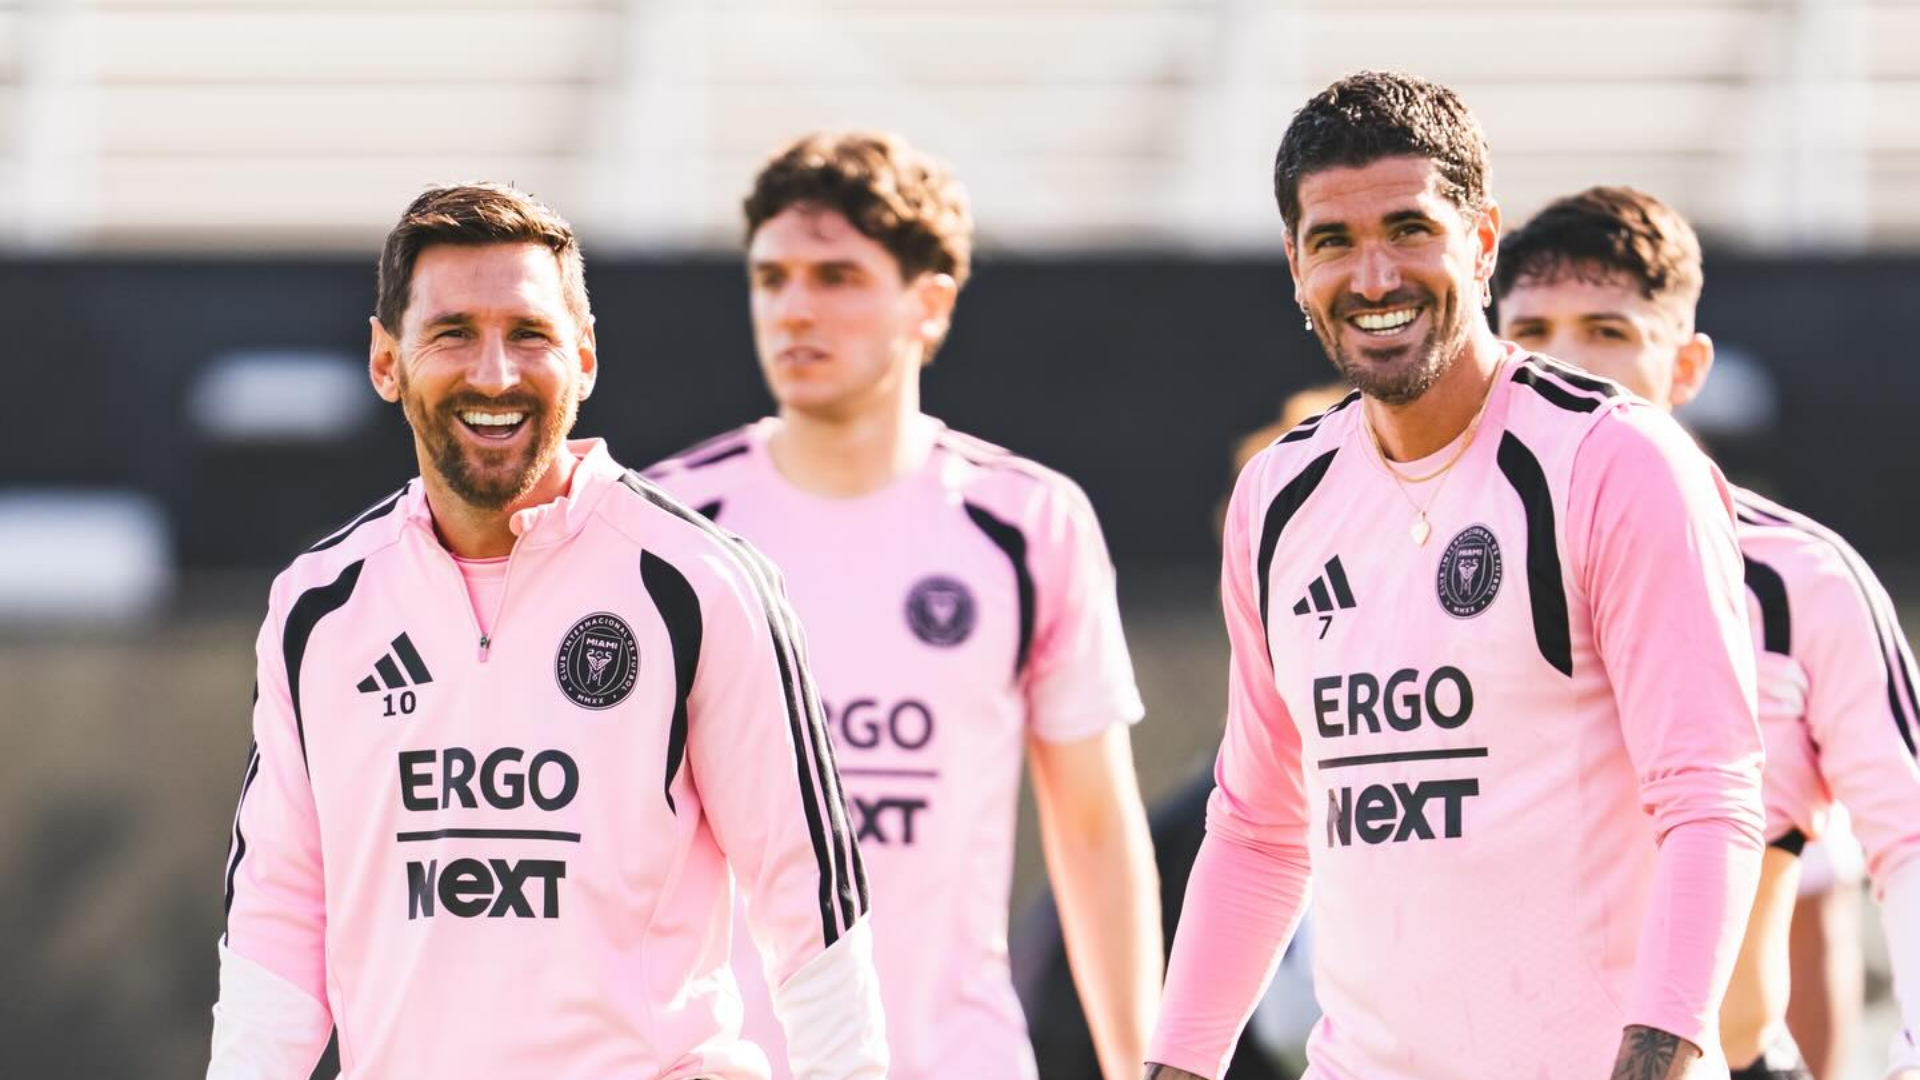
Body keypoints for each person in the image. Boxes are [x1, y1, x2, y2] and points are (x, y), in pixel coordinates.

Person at [1144, 71, 1767, 1080]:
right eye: (1334, 241)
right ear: (1296, 266)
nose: (1374, 277)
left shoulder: (1617, 461)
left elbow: (1710, 797)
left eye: (1410, 229)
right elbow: (1260, 830)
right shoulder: (1277, 497)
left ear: (1481, 242)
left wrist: (1655, 1059)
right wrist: (1174, 1067)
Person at [207, 183, 886, 1079]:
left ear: (585, 356)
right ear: (386, 361)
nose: (495, 374)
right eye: (453, 333)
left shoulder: (700, 583)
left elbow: (810, 902)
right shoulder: (320, 605)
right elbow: (278, 919)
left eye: (529, 333)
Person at [648, 131, 1161, 1080]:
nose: (795, 307)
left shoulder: (1027, 523)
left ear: (929, 305)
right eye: (772, 278)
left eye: (837, 276)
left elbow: (1094, 829)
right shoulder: (671, 525)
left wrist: (1141, 1068)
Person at [1494, 184, 1920, 1080]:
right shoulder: (1424, 563)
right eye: (1529, 333)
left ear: (1686, 367)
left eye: (1606, 331)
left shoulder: (1803, 580)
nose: (1562, 365)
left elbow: (1909, 838)